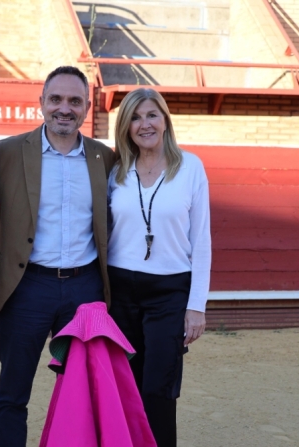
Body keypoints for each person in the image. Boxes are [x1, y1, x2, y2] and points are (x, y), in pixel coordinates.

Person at [0, 66, 115, 447]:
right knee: (13, 393)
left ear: (87, 107)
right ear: (41, 103)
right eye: (56, 99)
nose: (64, 108)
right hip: (26, 288)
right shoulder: (8, 152)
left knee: (85, 393)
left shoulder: (103, 158)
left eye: (74, 101)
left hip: (85, 289)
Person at [107, 88, 211, 447]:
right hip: (120, 293)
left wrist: (196, 306)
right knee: (125, 387)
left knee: (159, 387)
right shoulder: (116, 170)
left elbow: (201, 241)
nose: (144, 123)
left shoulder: (191, 167)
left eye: (151, 114)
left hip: (169, 292)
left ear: (165, 120)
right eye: (135, 117)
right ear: (125, 126)